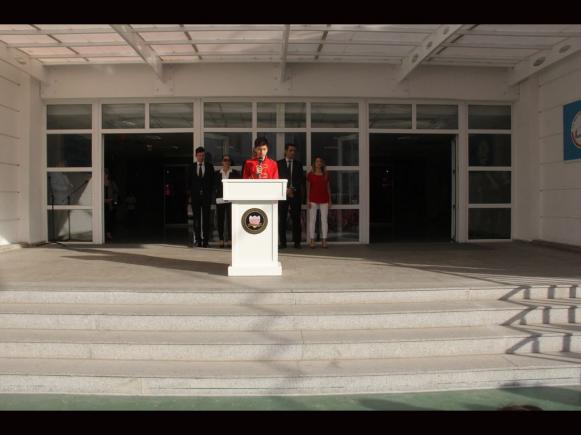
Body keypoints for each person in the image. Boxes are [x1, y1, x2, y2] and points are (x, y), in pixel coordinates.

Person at [277, 143, 305, 249]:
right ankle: (283, 242)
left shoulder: (298, 164)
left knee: (296, 219)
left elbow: (300, 179)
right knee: (282, 219)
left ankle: (297, 242)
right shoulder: (278, 163)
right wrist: (286, 190)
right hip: (282, 195)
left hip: (295, 195)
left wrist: (293, 189)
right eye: (290, 150)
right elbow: (277, 178)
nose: (293, 152)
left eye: (294, 151)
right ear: (285, 151)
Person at [188, 147, 215, 247]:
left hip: (206, 197)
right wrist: (189, 195)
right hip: (195, 197)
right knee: (196, 219)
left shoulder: (209, 167)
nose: (201, 157)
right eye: (199, 155)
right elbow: (188, 182)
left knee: (206, 219)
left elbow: (212, 182)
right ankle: (198, 240)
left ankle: (205, 241)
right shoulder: (191, 167)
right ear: (196, 156)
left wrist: (210, 194)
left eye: (203, 155)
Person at [214, 154, 241, 248]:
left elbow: (238, 186)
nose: (227, 162)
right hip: (220, 199)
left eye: (228, 160)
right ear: (222, 162)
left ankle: (230, 239)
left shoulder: (235, 173)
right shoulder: (216, 173)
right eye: (225, 160)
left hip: (231, 199)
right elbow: (214, 186)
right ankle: (221, 239)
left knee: (231, 220)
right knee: (220, 220)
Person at [307, 157, 332, 249]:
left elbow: (328, 188)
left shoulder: (326, 174)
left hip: (324, 199)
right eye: (317, 161)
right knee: (312, 220)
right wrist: (308, 200)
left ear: (322, 163)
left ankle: (324, 240)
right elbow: (308, 188)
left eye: (320, 161)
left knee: (324, 220)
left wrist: (330, 200)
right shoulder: (310, 175)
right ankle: (312, 240)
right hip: (313, 199)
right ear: (314, 163)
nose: (319, 163)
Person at [104, 168, 120, 242]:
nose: (104, 175)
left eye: (105, 174)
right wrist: (102, 200)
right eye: (103, 174)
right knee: (103, 219)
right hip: (101, 204)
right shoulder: (99, 182)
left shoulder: (111, 182)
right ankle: (103, 234)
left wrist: (112, 199)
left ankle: (108, 234)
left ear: (107, 175)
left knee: (109, 219)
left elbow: (117, 192)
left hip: (110, 204)